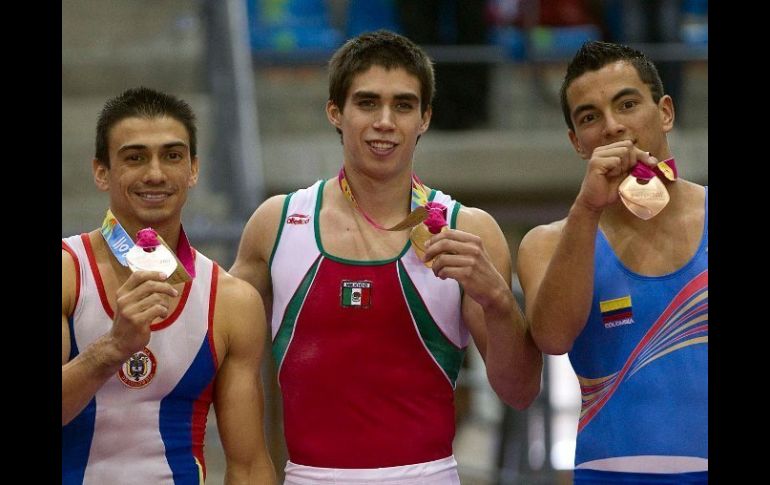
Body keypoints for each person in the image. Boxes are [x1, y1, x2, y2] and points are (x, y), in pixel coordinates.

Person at [230, 30, 542, 484]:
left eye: (403, 105)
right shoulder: (275, 224)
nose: (385, 121)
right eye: (367, 103)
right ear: (335, 112)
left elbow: (519, 392)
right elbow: (217, 354)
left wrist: (497, 298)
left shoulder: (468, 229)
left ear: (425, 118)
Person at [62, 87, 276, 484]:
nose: (156, 174)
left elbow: (248, 466)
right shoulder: (67, 274)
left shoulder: (230, 302)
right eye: (135, 157)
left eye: (172, 156)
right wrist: (111, 348)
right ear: (101, 172)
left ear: (193, 169)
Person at [517, 41, 707, 483]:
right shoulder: (547, 243)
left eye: (627, 104)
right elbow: (551, 337)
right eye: (589, 117)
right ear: (577, 143)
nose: (613, 127)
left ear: (664, 112)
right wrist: (586, 210)